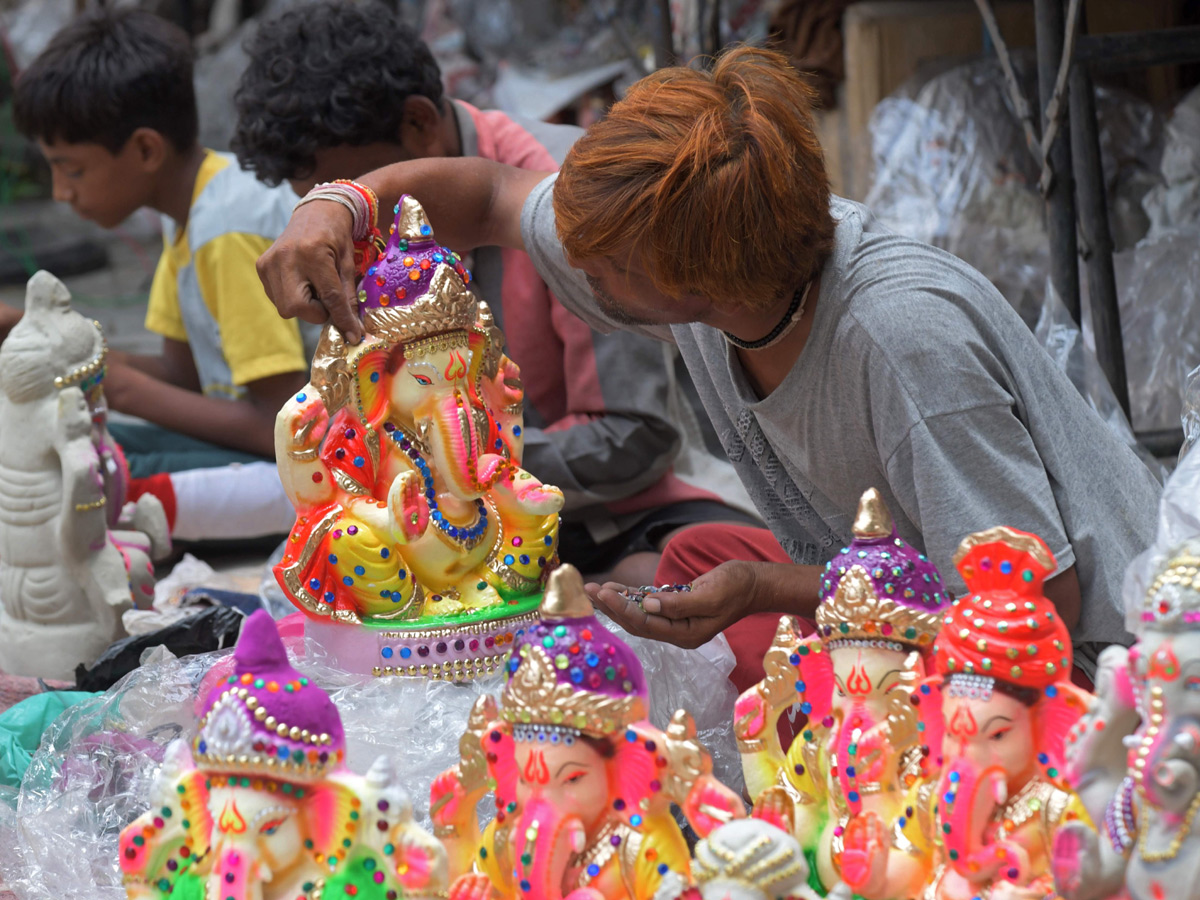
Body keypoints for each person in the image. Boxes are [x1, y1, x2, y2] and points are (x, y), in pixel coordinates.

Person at [254, 45, 1161, 682]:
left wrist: (769, 587)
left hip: (1077, 660)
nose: (584, 277)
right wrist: (338, 204)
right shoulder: (716, 257)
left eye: (602, 269)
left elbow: (1026, 605)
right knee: (690, 556)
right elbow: (491, 193)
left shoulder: (901, 342)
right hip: (924, 579)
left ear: (687, 283)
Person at [230, 0, 761, 584]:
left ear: (418, 124)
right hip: (460, 509)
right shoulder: (355, 230)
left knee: (643, 584)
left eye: (359, 194)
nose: (360, 227)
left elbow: (632, 440)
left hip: (635, 507)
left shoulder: (573, 197)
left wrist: (438, 459)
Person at [12, 8, 309, 541]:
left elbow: (285, 429)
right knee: (46, 447)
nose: (61, 191)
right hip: (255, 445)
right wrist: (35, 335)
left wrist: (111, 384)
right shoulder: (192, 211)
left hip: (319, 467)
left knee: (69, 478)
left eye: (72, 169)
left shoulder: (226, 228)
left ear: (147, 149)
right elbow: (182, 378)